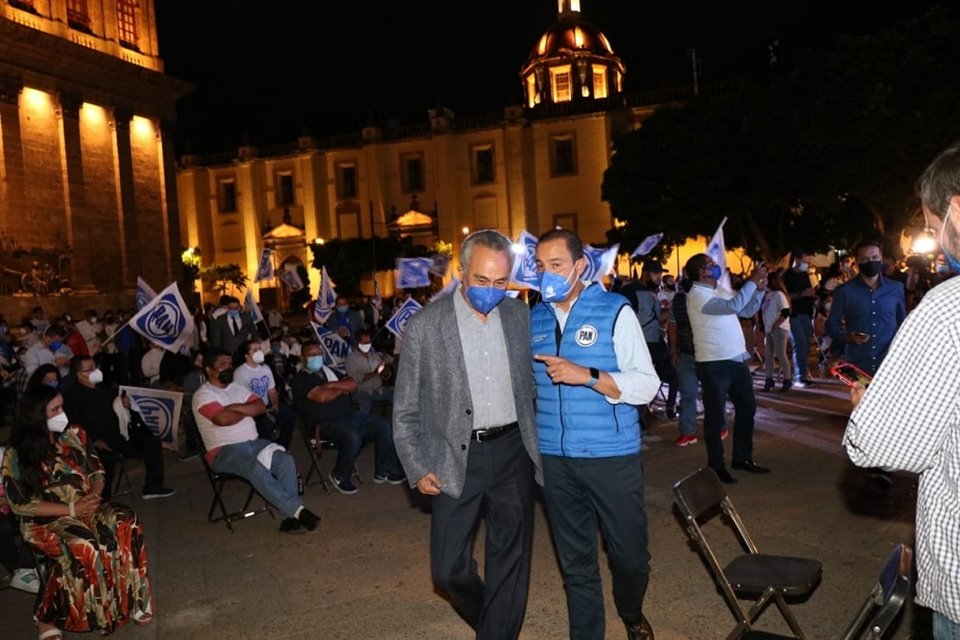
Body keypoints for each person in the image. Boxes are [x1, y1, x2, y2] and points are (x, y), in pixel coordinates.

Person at [393, 229, 542, 640]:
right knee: (447, 568)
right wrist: (416, 465)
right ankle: (496, 622)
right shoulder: (425, 327)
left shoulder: (518, 316)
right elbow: (404, 408)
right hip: (455, 457)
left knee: (509, 560)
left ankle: (498, 631)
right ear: (461, 272)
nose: (492, 291)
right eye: (482, 280)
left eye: (501, 282)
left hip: (513, 451)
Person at [843, 141, 960, 639]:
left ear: (956, 208)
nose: (937, 239)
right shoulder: (851, 292)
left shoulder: (946, 308)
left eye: (934, 229)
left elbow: (879, 442)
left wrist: (869, 409)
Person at [531, 228, 660, 640]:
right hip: (556, 459)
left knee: (630, 558)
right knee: (576, 564)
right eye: (539, 266)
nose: (546, 274)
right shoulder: (532, 318)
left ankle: (631, 610)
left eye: (556, 265)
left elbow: (647, 385)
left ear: (580, 266)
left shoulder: (614, 310)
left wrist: (587, 376)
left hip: (611, 457)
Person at [2, 385, 154, 638]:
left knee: (127, 523)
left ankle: (133, 600)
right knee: (84, 544)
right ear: (37, 416)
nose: (63, 413)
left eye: (62, 406)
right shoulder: (16, 453)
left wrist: (94, 494)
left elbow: (97, 471)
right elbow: (20, 502)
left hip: (86, 506)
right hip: (46, 519)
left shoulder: (75, 434)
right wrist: (72, 508)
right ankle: (47, 616)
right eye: (55, 409)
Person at [192, 347, 320, 533]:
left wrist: (232, 408)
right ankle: (299, 511)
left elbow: (260, 407)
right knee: (254, 467)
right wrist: (244, 409)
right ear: (209, 370)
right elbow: (222, 419)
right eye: (222, 365)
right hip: (223, 451)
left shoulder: (237, 387)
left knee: (285, 460)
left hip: (255, 444)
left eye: (229, 363)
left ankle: (288, 519)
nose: (228, 368)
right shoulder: (202, 395)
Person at [684, 253, 769, 484]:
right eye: (710, 264)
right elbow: (735, 304)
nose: (716, 266)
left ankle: (742, 458)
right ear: (701, 272)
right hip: (713, 363)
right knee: (715, 417)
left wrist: (759, 290)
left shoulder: (717, 290)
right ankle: (716, 465)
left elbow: (745, 311)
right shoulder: (697, 295)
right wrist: (751, 280)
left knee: (747, 408)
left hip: (735, 360)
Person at [292, 341, 404, 494]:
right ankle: (339, 475)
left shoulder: (330, 372)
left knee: (384, 425)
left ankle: (383, 471)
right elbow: (321, 397)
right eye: (312, 355)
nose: (316, 357)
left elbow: (352, 385)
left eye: (319, 354)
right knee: (353, 436)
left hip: (348, 417)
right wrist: (340, 387)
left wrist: (330, 386)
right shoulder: (301, 379)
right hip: (323, 425)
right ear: (302, 358)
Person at [63, 356, 174, 500]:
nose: (95, 371)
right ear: (79, 374)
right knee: (103, 465)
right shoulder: (73, 396)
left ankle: (152, 486)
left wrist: (124, 403)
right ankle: (102, 502)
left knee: (151, 441)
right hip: (97, 443)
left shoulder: (103, 388)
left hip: (120, 436)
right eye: (90, 369)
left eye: (95, 367)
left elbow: (118, 400)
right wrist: (94, 441)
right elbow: (73, 425)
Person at [826, 239, 906, 378]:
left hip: (890, 363)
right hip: (858, 363)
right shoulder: (844, 291)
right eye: (864, 259)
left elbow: (903, 323)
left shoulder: (896, 288)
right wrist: (846, 337)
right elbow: (832, 324)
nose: (870, 262)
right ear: (856, 261)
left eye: (874, 257)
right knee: (860, 400)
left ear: (881, 258)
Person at [232, 339, 295, 449]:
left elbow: (271, 390)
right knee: (266, 426)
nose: (259, 352)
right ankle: (266, 453)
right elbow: (240, 399)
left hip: (267, 406)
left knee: (288, 414)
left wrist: (275, 405)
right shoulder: (240, 373)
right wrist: (262, 411)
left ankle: (283, 448)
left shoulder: (265, 368)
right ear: (247, 355)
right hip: (252, 410)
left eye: (260, 349)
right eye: (255, 350)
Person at [667, 277, 701, 446]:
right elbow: (672, 325)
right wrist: (673, 349)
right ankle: (688, 432)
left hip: (707, 353)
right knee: (688, 394)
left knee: (714, 393)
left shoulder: (709, 297)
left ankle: (719, 426)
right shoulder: (679, 300)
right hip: (686, 353)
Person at [782, 251, 819, 387]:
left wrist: (812, 295)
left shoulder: (805, 275)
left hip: (806, 313)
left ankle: (803, 373)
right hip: (794, 315)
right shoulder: (786, 275)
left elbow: (809, 290)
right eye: (805, 261)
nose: (807, 264)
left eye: (808, 262)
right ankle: (799, 377)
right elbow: (784, 296)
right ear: (797, 260)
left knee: (806, 346)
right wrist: (801, 294)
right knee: (800, 344)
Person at [344, 328, 394, 416]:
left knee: (397, 396)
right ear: (357, 343)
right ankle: (361, 426)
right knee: (364, 405)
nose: (368, 345)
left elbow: (386, 375)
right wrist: (374, 373)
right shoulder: (351, 359)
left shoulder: (376, 356)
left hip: (379, 390)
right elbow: (354, 379)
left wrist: (386, 370)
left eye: (369, 342)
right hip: (362, 391)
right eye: (365, 343)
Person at [760, 271, 793, 392]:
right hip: (769, 328)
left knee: (780, 354)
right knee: (768, 356)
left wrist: (776, 324)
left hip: (779, 328)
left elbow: (786, 312)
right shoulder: (768, 295)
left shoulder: (779, 294)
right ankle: (769, 380)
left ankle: (787, 379)